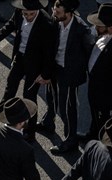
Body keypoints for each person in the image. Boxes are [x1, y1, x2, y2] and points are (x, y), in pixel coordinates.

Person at [0, 0, 57, 139]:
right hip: (20, 57)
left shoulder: (47, 24)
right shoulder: (19, 13)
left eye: (31, 14)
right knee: (11, 85)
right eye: (25, 13)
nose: (28, 17)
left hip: (36, 65)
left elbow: (50, 53)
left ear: (38, 10)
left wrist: (45, 74)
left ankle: (29, 132)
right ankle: (1, 110)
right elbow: (6, 29)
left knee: (29, 97)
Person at [42, 0, 93, 155]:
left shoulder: (81, 30)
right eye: (54, 7)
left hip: (70, 73)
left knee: (67, 107)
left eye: (58, 8)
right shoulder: (56, 22)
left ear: (69, 11)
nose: (54, 10)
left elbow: (89, 54)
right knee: (51, 96)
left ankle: (71, 139)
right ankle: (48, 122)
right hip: (55, 67)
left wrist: (81, 72)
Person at [84, 5, 112, 143]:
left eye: (100, 26)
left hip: (105, 93)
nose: (96, 28)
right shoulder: (103, 36)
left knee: (103, 119)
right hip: (94, 87)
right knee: (95, 116)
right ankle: (92, 134)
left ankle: (101, 143)